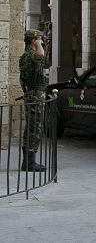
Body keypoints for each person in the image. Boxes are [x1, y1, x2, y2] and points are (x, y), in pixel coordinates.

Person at [19, 29, 47, 172]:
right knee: (34, 128)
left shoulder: (28, 55)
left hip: (36, 94)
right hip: (34, 94)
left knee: (34, 127)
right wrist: (38, 44)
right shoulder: (30, 55)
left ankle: (29, 161)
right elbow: (40, 54)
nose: (42, 42)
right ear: (33, 40)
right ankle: (29, 162)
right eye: (39, 39)